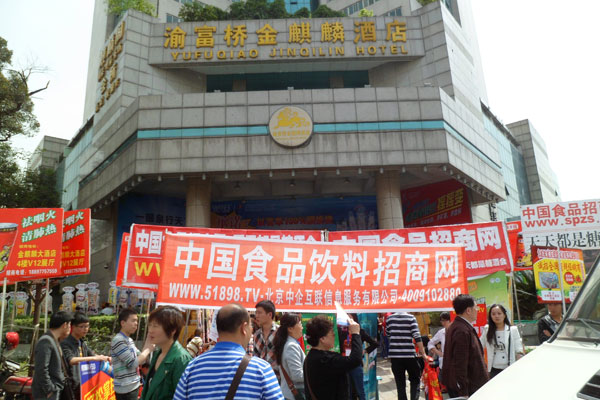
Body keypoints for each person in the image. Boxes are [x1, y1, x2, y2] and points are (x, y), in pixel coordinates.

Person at [174, 303, 283, 399]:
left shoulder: (192, 367)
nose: (252, 329)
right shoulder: (261, 369)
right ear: (243, 328)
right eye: (250, 325)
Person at [304, 315, 362, 400]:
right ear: (322, 338)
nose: (334, 336)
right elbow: (355, 359)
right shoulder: (325, 359)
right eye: (332, 334)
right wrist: (356, 334)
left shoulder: (311, 356)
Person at [442, 294, 489, 398]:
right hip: (468, 387)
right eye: (476, 307)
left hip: (468, 385)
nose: (477, 310)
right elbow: (459, 363)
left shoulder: (459, 326)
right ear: (468, 310)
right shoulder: (461, 330)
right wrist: (463, 392)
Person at [141, 306, 192, 400]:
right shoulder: (158, 353)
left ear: (172, 330)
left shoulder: (181, 359)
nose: (150, 330)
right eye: (150, 325)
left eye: (155, 326)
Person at [60, 312, 111, 399]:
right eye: (82, 326)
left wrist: (105, 358)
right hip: (72, 386)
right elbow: (71, 360)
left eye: (87, 326)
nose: (85, 329)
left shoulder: (82, 342)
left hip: (83, 384)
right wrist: (94, 358)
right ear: (73, 327)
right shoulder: (66, 343)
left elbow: (93, 355)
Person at [111, 308, 155, 400]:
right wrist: (148, 350)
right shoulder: (118, 340)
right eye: (133, 321)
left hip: (132, 386)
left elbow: (141, 359)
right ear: (123, 323)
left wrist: (148, 341)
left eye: (137, 321)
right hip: (125, 389)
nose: (136, 324)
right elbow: (133, 363)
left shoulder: (129, 340)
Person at [32, 311, 73, 400]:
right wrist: (50, 389)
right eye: (70, 325)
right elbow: (41, 368)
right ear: (65, 325)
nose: (70, 329)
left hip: (55, 390)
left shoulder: (55, 340)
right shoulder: (46, 341)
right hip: (47, 393)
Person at [385, 311, 426, 400]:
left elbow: (388, 334)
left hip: (395, 356)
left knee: (400, 384)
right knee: (415, 380)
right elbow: (417, 336)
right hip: (409, 355)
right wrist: (423, 353)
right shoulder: (411, 318)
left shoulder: (389, 319)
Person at [338, 314, 378, 400]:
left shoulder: (360, 331)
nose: (348, 320)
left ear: (354, 319)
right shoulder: (341, 331)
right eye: (346, 317)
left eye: (350, 317)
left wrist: (365, 351)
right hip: (344, 363)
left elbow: (375, 344)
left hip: (356, 365)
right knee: (347, 391)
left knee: (360, 390)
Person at [480, 304, 524, 378]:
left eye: (499, 313)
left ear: (504, 315)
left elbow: (519, 349)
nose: (496, 316)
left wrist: (520, 361)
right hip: (493, 369)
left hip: (509, 367)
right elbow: (479, 345)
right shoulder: (487, 330)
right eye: (493, 314)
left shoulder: (512, 330)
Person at [273, 313, 305, 400]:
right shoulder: (291, 346)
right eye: (300, 324)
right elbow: (297, 375)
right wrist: (313, 374)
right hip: (293, 395)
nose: (302, 327)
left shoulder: (287, 343)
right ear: (290, 328)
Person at [254, 300, 280, 379]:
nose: (256, 316)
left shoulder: (280, 332)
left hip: (278, 378)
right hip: (261, 377)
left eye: (259, 313)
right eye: (256, 313)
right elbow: (255, 357)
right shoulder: (256, 335)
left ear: (270, 314)